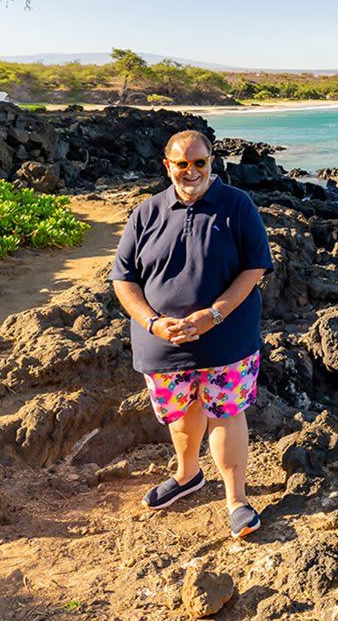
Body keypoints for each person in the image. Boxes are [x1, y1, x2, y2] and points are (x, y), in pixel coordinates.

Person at [109, 129, 273, 538]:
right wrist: (152, 322)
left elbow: (254, 268)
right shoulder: (145, 213)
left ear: (211, 163)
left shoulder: (238, 205)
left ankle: (236, 499)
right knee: (181, 417)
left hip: (226, 339)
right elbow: (123, 279)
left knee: (226, 417)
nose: (191, 171)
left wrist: (213, 315)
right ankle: (187, 476)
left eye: (199, 162)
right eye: (182, 163)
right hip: (162, 344)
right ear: (168, 166)